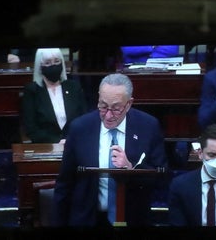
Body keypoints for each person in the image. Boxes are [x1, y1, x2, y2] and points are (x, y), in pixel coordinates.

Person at [51, 73, 168, 227]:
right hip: (87, 219)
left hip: (133, 218)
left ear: (129, 104)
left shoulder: (148, 126)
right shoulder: (80, 128)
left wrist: (131, 169)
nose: (108, 115)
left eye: (116, 109)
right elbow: (64, 184)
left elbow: (162, 177)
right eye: (103, 106)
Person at [20, 48, 88, 144]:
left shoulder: (74, 87)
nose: (53, 66)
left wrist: (70, 140)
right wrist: (57, 141)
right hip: (46, 146)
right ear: (40, 66)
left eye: (57, 61)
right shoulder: (32, 91)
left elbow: (84, 119)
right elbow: (31, 129)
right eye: (47, 63)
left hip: (74, 143)